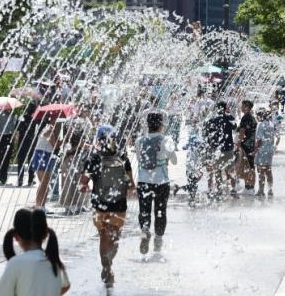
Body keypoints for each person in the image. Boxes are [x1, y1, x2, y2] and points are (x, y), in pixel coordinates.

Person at [80, 125, 135, 289]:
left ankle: (106, 265)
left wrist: (85, 187)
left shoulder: (93, 159)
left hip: (99, 206)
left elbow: (83, 182)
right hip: (119, 205)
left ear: (98, 139)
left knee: (104, 236)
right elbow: (131, 184)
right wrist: (128, 189)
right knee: (115, 237)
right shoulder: (123, 157)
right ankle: (109, 264)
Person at [0, 208, 70, 296]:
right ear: (44, 235)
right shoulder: (55, 261)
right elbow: (65, 286)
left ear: (16, 237)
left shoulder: (16, 263)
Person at [135, 112, 177, 255]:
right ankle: (158, 240)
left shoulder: (139, 140)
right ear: (161, 124)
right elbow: (174, 160)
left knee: (144, 211)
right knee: (160, 211)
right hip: (161, 181)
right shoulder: (166, 139)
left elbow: (139, 159)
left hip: (143, 181)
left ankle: (145, 231)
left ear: (148, 124)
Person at [203, 101, 238, 198]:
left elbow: (206, 134)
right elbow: (236, 128)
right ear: (225, 108)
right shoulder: (230, 118)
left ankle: (219, 190)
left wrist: (210, 147)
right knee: (230, 170)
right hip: (228, 148)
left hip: (217, 149)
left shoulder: (211, 120)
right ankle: (233, 189)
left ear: (217, 108)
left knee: (218, 170)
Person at [31, 115, 60, 207]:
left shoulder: (48, 129)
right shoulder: (49, 130)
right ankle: (39, 206)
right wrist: (65, 139)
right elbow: (55, 145)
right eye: (56, 120)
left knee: (45, 183)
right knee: (44, 183)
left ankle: (41, 205)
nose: (58, 123)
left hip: (44, 155)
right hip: (42, 155)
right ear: (51, 120)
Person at [237, 100, 257, 195]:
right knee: (251, 166)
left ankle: (248, 188)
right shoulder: (253, 118)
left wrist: (238, 142)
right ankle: (251, 187)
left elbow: (242, 132)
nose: (241, 107)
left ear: (247, 107)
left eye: (242, 105)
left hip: (245, 145)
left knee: (246, 166)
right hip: (252, 145)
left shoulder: (245, 118)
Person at [255, 109, 276, 197]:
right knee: (268, 170)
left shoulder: (261, 125)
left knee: (261, 171)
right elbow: (273, 138)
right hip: (270, 150)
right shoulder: (271, 124)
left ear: (260, 116)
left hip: (262, 150)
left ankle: (261, 190)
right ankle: (270, 190)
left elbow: (259, 139)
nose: (257, 118)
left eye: (258, 116)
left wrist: (255, 149)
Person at [16, 103, 37, 187]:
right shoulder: (34, 119)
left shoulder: (21, 118)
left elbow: (17, 130)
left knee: (21, 161)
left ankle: (20, 180)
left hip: (22, 142)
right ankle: (30, 180)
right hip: (31, 142)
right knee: (31, 161)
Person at [0, 110, 18, 184]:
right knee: (7, 157)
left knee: (0, 156)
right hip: (8, 137)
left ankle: (2, 175)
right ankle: (4, 176)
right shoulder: (12, 116)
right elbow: (14, 127)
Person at [182, 134, 207, 205]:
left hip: (188, 170)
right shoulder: (194, 151)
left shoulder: (190, 149)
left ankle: (191, 197)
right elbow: (196, 163)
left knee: (192, 183)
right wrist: (199, 170)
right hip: (192, 170)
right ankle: (191, 199)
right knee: (193, 184)